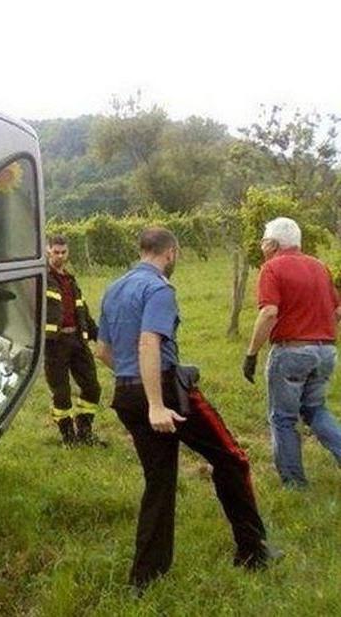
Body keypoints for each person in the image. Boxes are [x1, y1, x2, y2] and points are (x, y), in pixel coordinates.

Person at [95, 227, 276, 592]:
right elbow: (149, 342)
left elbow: (102, 351)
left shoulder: (113, 289)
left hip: (126, 392)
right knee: (231, 458)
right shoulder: (159, 288)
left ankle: (145, 579)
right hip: (166, 394)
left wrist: (133, 381)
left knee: (159, 484)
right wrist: (157, 404)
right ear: (171, 252)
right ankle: (253, 551)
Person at [243, 217, 341, 488]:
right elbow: (337, 311)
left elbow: (269, 312)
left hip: (292, 352)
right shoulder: (320, 267)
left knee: (283, 418)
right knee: (315, 409)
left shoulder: (272, 268)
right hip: (326, 351)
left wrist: (251, 354)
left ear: (273, 243)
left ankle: (294, 483)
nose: (262, 245)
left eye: (264, 240)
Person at [44, 234, 103, 447]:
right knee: (61, 393)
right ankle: (68, 437)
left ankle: (85, 431)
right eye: (56, 252)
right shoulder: (41, 279)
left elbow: (83, 313)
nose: (60, 256)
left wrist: (99, 335)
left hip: (78, 341)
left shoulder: (71, 280)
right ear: (47, 251)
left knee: (92, 388)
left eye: (63, 252)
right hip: (54, 344)